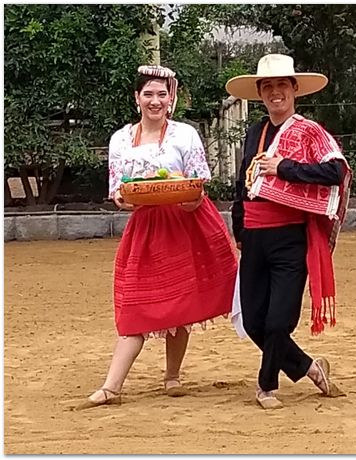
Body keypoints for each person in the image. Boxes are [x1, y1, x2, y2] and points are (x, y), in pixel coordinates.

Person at [76, 64, 237, 409]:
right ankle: (112, 386)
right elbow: (120, 195)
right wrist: (127, 197)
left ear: (172, 98)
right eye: (148, 94)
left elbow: (197, 190)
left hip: (187, 223)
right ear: (137, 98)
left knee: (180, 299)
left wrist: (184, 192)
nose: (155, 101)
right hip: (147, 227)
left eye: (162, 94)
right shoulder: (121, 139)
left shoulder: (185, 135)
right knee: (136, 301)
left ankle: (172, 376)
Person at [225, 54, 352, 410]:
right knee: (253, 322)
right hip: (253, 236)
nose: (275, 92)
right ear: (261, 94)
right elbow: (242, 186)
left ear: (294, 89)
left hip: (290, 239)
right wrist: (239, 230)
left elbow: (335, 173)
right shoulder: (255, 133)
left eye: (282, 84)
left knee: (279, 320)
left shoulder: (310, 132)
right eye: (268, 86)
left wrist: (286, 167)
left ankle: (266, 386)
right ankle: (310, 368)